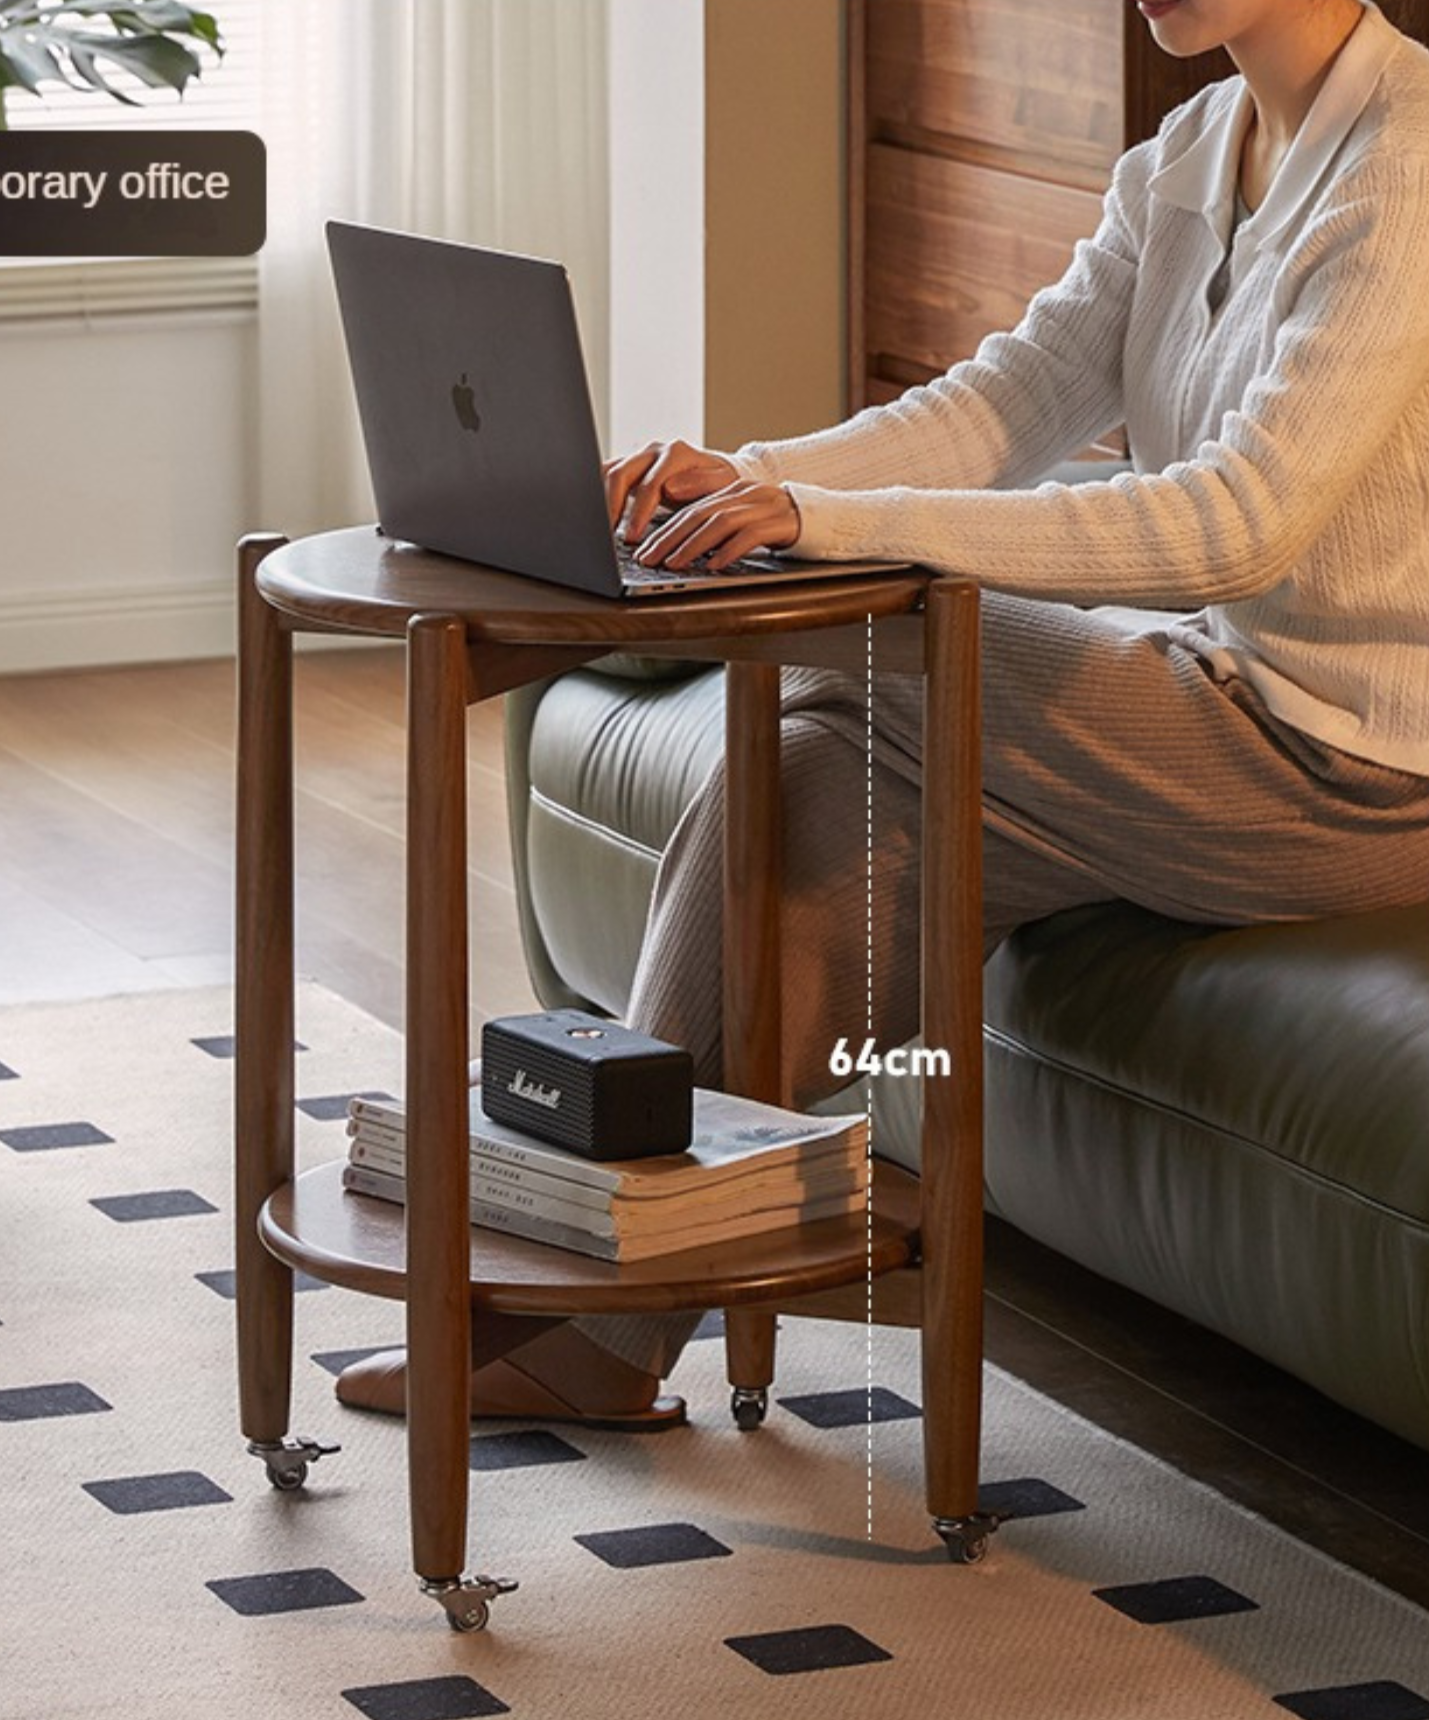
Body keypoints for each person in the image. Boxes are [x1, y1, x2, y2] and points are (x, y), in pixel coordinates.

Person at [337, 0, 1429, 1429]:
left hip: (1350, 770)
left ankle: (592, 1299)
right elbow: (1006, 402)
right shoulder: (1190, 150)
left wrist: (823, 527)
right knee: (799, 784)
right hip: (1197, 705)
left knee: (855, 636)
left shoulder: (1406, 163)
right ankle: (595, 1327)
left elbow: (1239, 526)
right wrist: (750, 476)